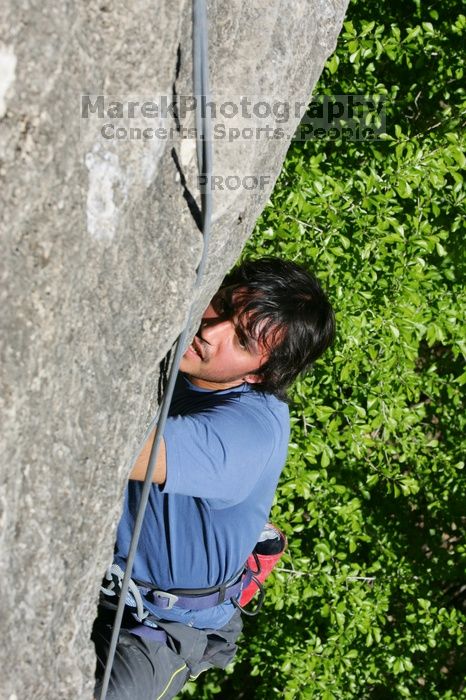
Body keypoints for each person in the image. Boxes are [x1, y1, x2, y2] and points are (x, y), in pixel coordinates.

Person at [92, 256, 335, 700]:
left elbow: (112, 450)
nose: (211, 330)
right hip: (104, 581)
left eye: (240, 339)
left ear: (260, 372)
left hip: (164, 627)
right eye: (221, 304)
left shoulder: (248, 434)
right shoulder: (191, 363)